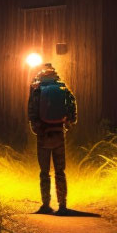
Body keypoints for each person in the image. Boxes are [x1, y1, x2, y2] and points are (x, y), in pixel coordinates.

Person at [27, 63, 77, 215]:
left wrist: (35, 126)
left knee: (44, 172)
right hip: (58, 133)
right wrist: (69, 122)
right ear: (54, 73)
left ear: (41, 73)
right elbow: (72, 105)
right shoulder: (62, 87)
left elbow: (31, 110)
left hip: (43, 134)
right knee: (60, 171)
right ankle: (62, 205)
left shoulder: (37, 88)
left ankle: (46, 205)